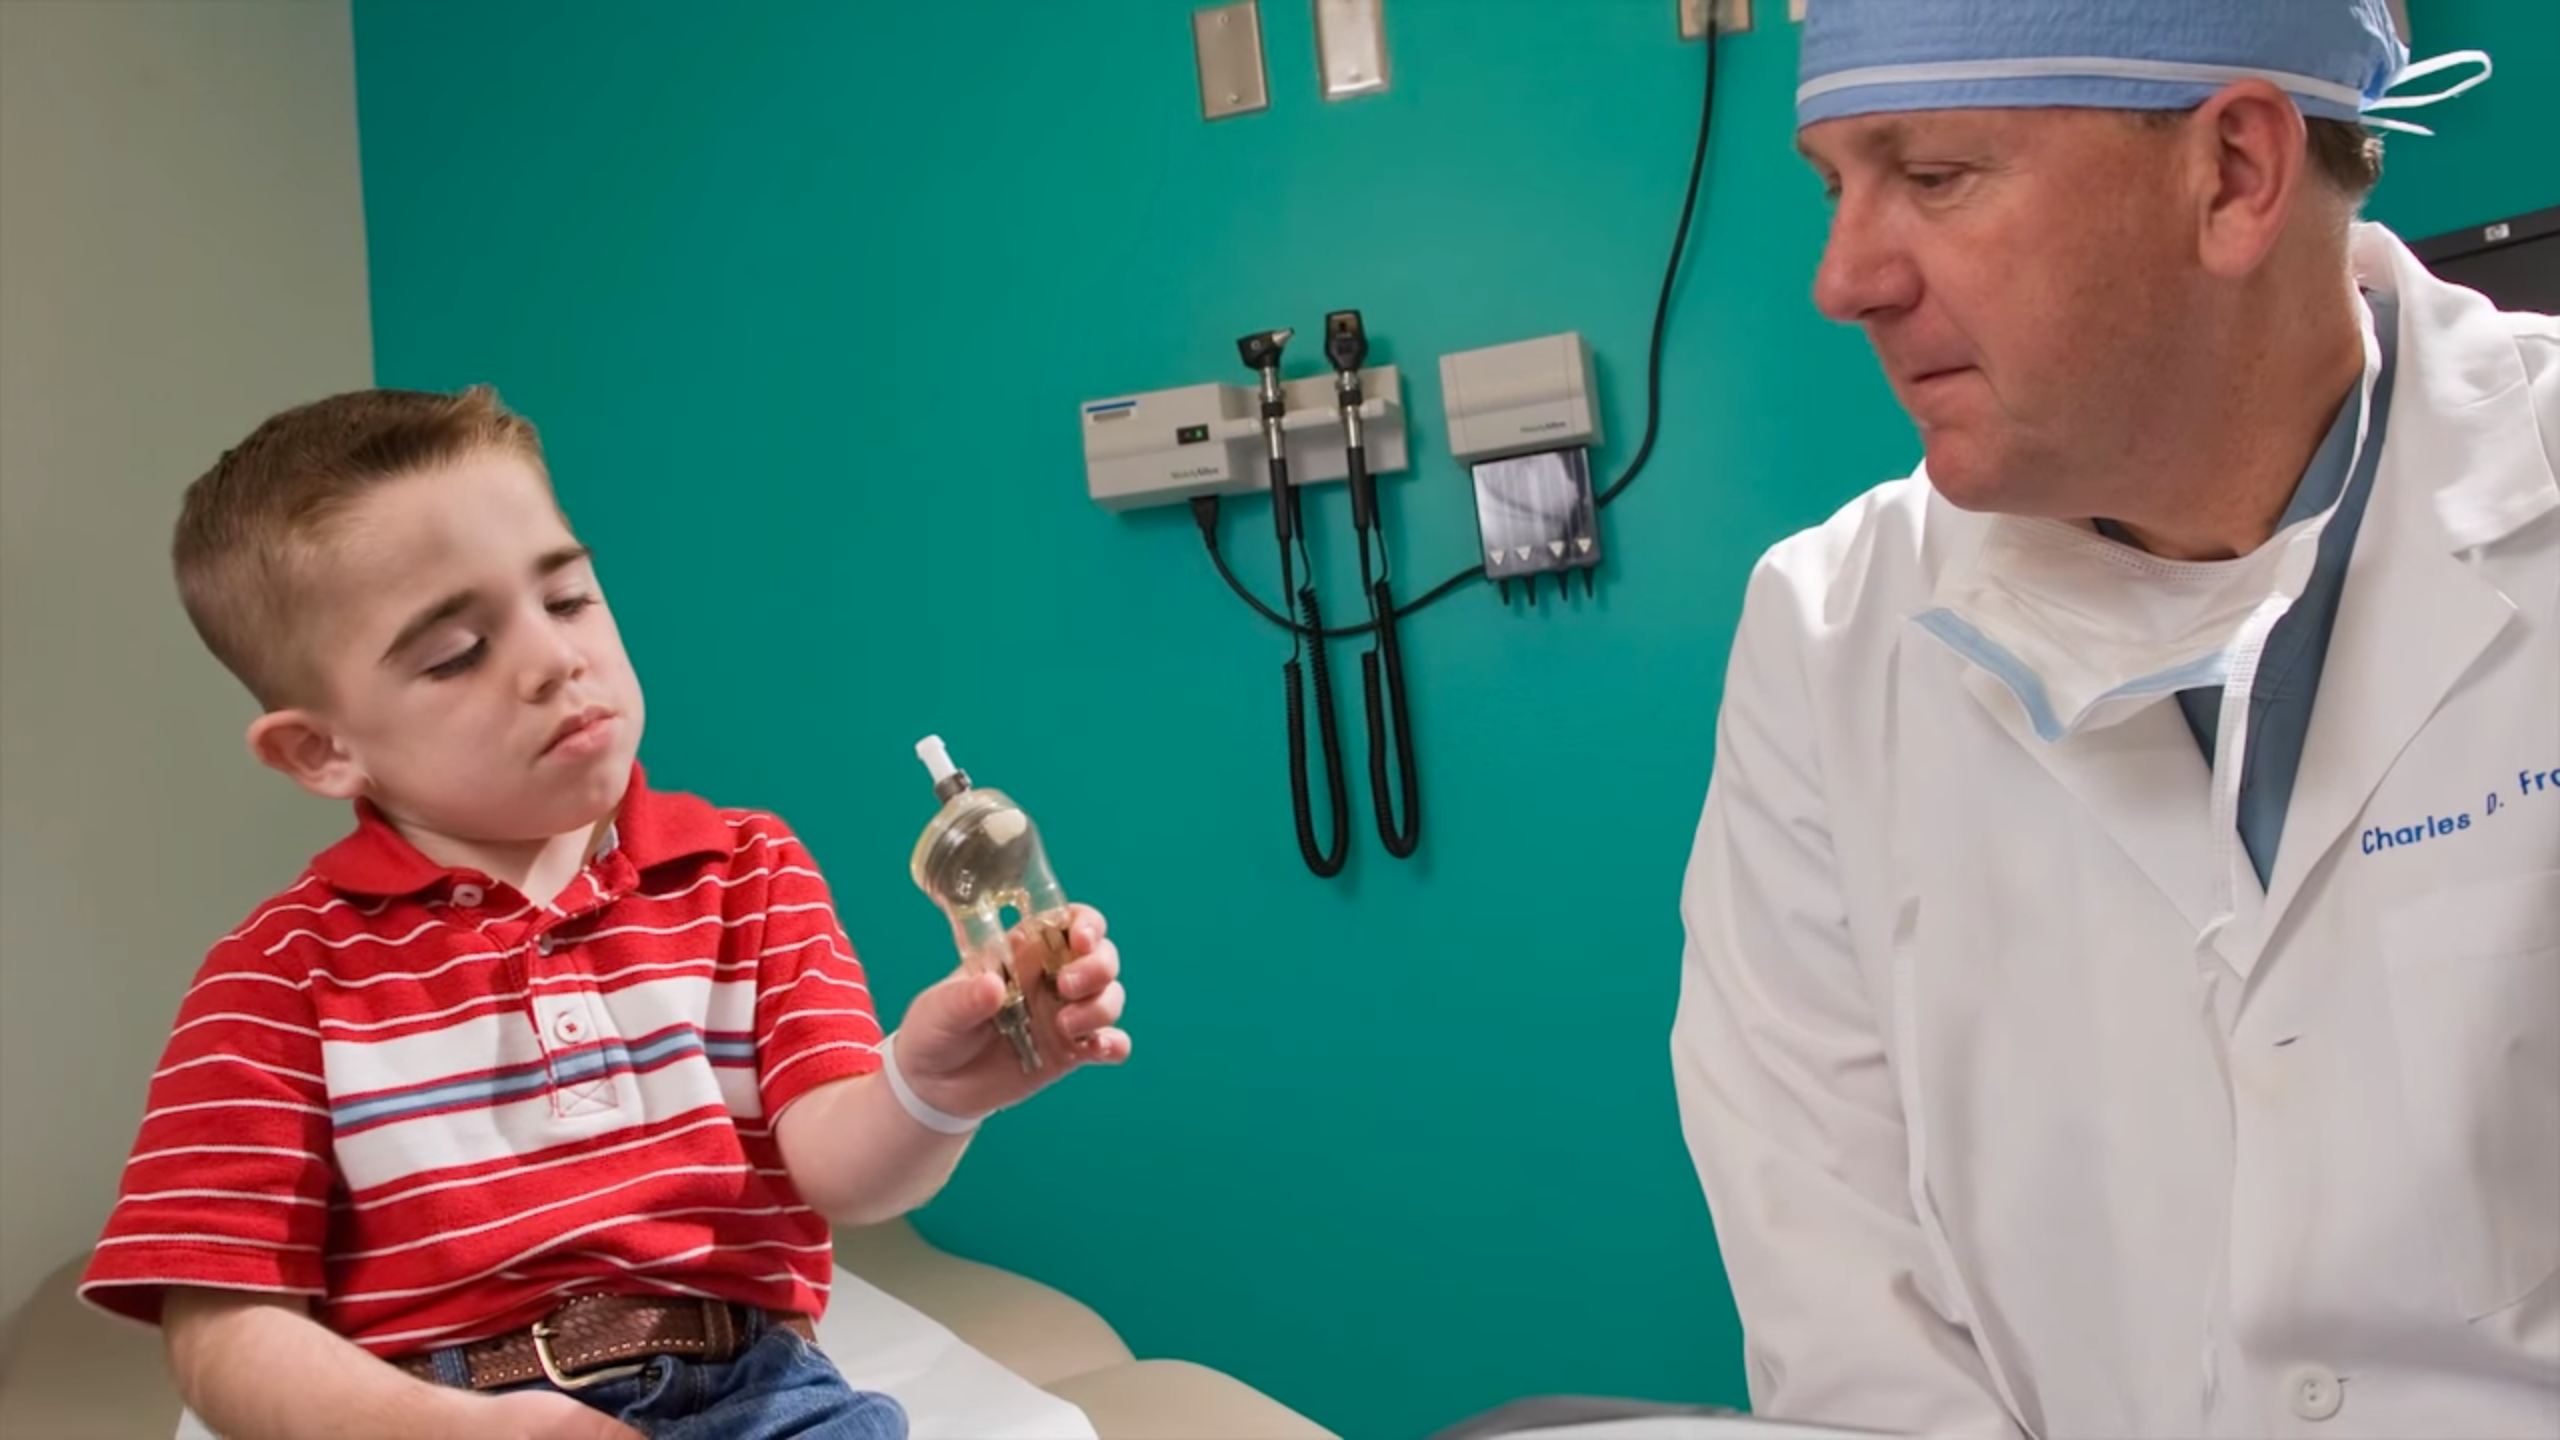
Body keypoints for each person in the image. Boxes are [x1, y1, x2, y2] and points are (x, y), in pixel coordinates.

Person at [1671, 1, 2555, 1436]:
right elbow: (1846, 1319)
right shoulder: (1828, 638)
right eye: (1836, 185)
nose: (1844, 279)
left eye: (1936, 176)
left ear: (2236, 175)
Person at [77, 385, 1133, 1440]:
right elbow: (222, 1328)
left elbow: (839, 1170)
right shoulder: (277, 975)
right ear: (322, 749)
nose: (553, 660)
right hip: (431, 1410)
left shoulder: (745, 872)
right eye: (454, 654)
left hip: (752, 1390)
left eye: (569, 598)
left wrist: (934, 1089)